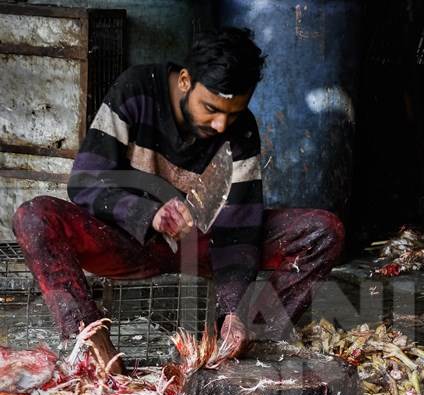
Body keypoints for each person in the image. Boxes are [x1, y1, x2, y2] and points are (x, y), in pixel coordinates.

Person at [13, 27, 344, 374]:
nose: (220, 124)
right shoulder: (136, 90)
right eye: (211, 108)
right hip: (127, 240)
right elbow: (84, 181)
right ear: (185, 80)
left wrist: (233, 309)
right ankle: (94, 351)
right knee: (34, 217)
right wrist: (149, 213)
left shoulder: (240, 129)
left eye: (232, 113)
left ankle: (240, 350)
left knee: (323, 231)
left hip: (203, 245)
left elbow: (238, 231)